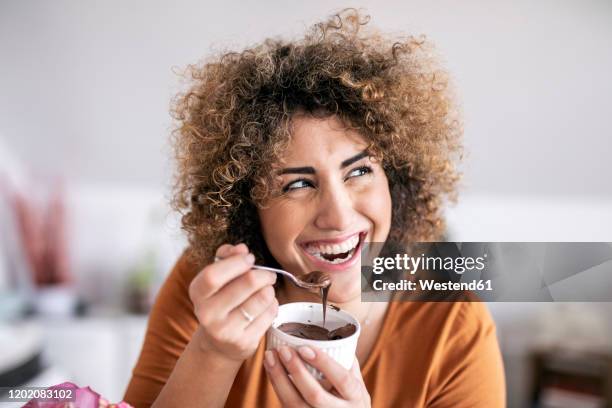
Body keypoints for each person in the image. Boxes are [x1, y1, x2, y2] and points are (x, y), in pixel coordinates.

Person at [123, 9, 505, 407]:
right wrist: (212, 352)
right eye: (299, 183)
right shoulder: (209, 291)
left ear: (395, 176)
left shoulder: (453, 326)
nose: (338, 216)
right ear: (247, 204)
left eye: (358, 171)